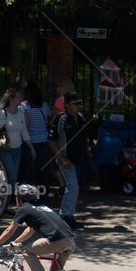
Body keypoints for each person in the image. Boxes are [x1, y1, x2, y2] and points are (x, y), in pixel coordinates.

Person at [48, 92, 86, 229]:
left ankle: (69, 216)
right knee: (72, 187)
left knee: (74, 188)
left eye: (79, 103)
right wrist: (62, 159)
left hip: (79, 159)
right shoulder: (61, 119)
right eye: (75, 104)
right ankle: (64, 217)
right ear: (68, 106)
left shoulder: (81, 118)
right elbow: (51, 140)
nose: (78, 106)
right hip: (66, 159)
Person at [19, 78, 52, 201]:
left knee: (22, 171)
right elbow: (46, 121)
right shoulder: (44, 105)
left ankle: (16, 196)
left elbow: (25, 127)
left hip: (30, 143)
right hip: (43, 141)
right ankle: (44, 197)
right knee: (43, 173)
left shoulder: (24, 107)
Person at [0, 87, 34, 186]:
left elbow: (24, 131)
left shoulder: (20, 113)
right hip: (5, 149)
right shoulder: (3, 113)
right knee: (11, 175)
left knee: (13, 176)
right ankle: (3, 196)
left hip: (18, 149)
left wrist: (31, 148)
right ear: (12, 99)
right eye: (19, 97)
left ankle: (6, 197)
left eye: (21, 97)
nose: (21, 99)